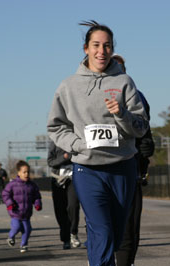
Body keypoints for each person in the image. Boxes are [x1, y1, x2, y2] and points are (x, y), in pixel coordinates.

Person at [47, 20, 148, 266]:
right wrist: (79, 144)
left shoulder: (125, 82)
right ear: (85, 48)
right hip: (87, 169)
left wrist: (122, 114)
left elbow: (141, 126)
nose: (101, 51)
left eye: (107, 46)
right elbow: (55, 126)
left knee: (112, 233)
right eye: (96, 45)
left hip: (122, 167)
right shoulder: (68, 85)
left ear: (112, 49)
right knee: (100, 230)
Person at [112, 54, 155, 266]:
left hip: (132, 170)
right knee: (104, 228)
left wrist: (148, 144)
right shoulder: (91, 94)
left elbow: (145, 127)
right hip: (100, 171)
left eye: (121, 69)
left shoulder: (138, 96)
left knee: (129, 230)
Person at [2, 160, 42, 253]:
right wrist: (10, 203)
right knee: (16, 227)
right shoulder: (12, 184)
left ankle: (24, 245)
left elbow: (37, 196)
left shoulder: (32, 185)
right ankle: (11, 237)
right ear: (19, 173)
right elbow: (5, 194)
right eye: (24, 172)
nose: (26, 174)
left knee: (27, 230)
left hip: (27, 213)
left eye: (28, 172)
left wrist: (37, 204)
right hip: (15, 212)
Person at [47, 141, 81, 250]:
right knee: (60, 209)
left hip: (73, 178)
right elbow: (50, 162)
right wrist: (65, 157)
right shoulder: (54, 142)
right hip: (58, 179)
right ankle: (65, 239)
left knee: (73, 205)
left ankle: (73, 233)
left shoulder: (76, 139)